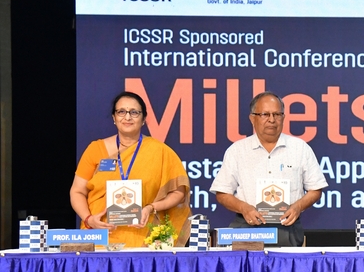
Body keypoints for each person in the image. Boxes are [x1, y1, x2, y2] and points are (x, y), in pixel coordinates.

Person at [70, 91, 191, 247]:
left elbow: (179, 193)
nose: (127, 117)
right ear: (114, 118)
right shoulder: (95, 149)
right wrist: (89, 219)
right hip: (100, 236)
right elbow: (77, 191)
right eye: (121, 112)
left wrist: (151, 208)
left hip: (145, 238)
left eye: (134, 112)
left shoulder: (160, 151)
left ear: (144, 119)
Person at [210, 92, 328, 247]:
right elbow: (222, 193)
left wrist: (298, 207)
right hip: (247, 227)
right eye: (265, 114)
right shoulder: (237, 150)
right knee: (244, 264)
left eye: (277, 114)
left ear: (283, 117)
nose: (272, 120)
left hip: (286, 227)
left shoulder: (300, 148)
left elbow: (315, 189)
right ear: (252, 118)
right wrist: (244, 208)